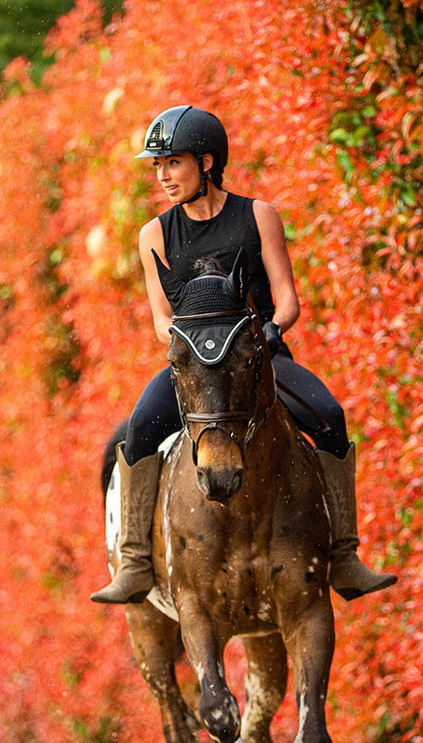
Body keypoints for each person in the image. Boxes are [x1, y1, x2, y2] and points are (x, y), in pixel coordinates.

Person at [92, 105, 396, 605]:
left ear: (207, 162)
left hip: (257, 361)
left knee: (331, 417)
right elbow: (161, 318)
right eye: (157, 166)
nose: (163, 176)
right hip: (194, 371)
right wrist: (191, 352)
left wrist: (271, 332)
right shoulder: (154, 234)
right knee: (140, 428)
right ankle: (134, 561)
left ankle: (344, 556)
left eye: (173, 162)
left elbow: (288, 298)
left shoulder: (258, 215)